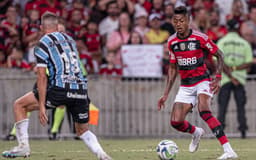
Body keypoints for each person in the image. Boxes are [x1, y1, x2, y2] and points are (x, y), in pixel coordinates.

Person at [2, 12, 112, 160]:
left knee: (19, 105)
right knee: (82, 130)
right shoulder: (70, 40)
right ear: (57, 26)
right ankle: (102, 154)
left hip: (60, 88)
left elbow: (41, 76)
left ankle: (23, 147)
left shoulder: (42, 44)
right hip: (80, 90)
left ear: (41, 27)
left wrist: (41, 106)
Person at [158, 6, 238, 160]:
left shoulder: (200, 38)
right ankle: (196, 132)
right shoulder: (172, 42)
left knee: (204, 110)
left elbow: (219, 55)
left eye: (181, 21)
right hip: (186, 85)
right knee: (175, 122)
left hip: (202, 81)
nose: (178, 24)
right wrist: (166, 93)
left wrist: (218, 77)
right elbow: (173, 68)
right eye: (175, 21)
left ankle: (229, 150)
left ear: (188, 21)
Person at [217, 19, 253, 139]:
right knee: (240, 107)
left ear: (227, 28)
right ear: (237, 28)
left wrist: (230, 76)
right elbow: (249, 63)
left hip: (226, 79)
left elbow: (219, 61)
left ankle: (219, 132)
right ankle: (243, 132)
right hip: (240, 79)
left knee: (222, 107)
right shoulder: (244, 43)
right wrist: (236, 69)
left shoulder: (222, 42)